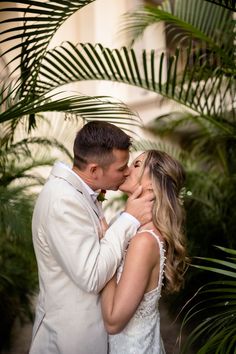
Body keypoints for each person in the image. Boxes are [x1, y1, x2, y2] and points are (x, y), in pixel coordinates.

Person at [29, 121, 154, 354]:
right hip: (72, 339)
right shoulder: (62, 201)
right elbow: (92, 276)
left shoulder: (82, 192)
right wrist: (128, 219)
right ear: (94, 170)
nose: (127, 172)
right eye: (121, 167)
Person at [101, 150, 188, 354]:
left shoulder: (144, 241)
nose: (127, 169)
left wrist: (105, 249)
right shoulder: (138, 229)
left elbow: (114, 322)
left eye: (137, 164)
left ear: (152, 183)